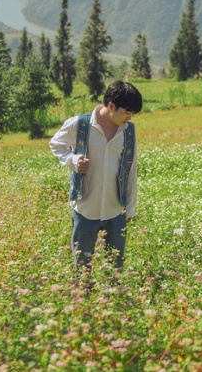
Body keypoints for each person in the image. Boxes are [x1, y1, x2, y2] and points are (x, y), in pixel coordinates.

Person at [49, 81, 143, 275]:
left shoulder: (128, 132)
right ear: (111, 106)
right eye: (126, 112)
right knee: (82, 265)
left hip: (115, 209)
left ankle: (112, 300)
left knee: (115, 266)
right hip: (85, 207)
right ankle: (83, 300)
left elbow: (130, 169)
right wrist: (73, 160)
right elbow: (56, 144)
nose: (129, 117)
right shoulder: (79, 124)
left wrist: (130, 208)